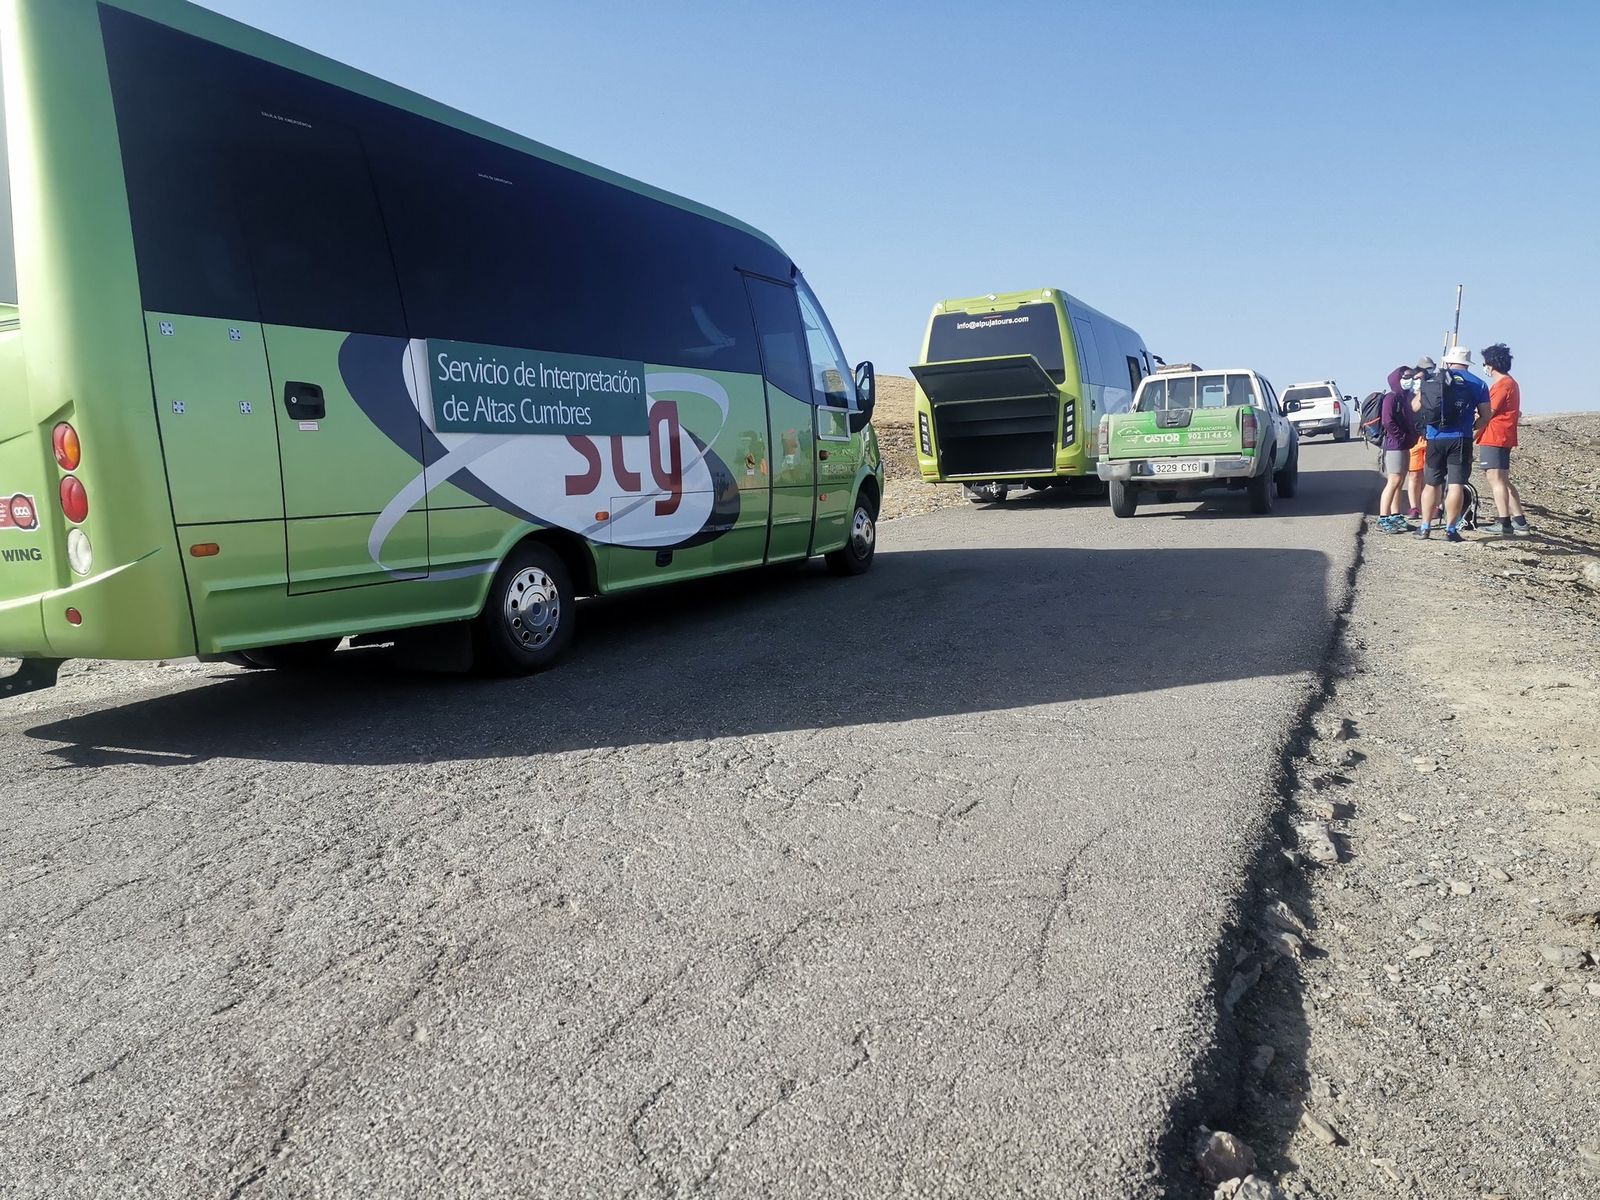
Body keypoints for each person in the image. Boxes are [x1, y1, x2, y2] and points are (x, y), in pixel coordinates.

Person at [1415, 346, 1489, 542]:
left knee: (1431, 484)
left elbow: (1415, 406)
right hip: (1460, 438)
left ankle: (1425, 527)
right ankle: (1450, 529)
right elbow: (1486, 415)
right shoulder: (1478, 383)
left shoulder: (1433, 380)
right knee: (1456, 484)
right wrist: (1472, 426)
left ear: (1448, 361)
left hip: (1434, 438)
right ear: (1467, 363)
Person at [1475, 342, 1529, 535]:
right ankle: (1519, 520)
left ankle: (1504, 522)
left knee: (1495, 479)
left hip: (1494, 436)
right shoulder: (1511, 383)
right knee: (1504, 480)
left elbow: (1488, 413)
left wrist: (1471, 430)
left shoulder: (1501, 385)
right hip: (1504, 436)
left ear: (1491, 365)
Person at [1376, 365, 1420, 532]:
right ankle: (1383, 518)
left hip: (1404, 445)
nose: (1410, 380)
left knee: (1400, 481)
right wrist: (1402, 437)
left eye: (1412, 377)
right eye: (1406, 377)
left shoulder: (1405, 398)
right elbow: (1387, 421)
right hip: (1394, 446)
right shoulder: (1391, 398)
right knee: (1394, 480)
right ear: (1397, 379)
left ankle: (1395, 516)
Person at [1404, 355, 1435, 520]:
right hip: (1415, 439)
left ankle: (1434, 506)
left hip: (1431, 436)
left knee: (1432, 475)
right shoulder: (1410, 391)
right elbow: (1412, 409)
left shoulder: (1435, 387)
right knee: (1414, 474)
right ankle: (1414, 507)